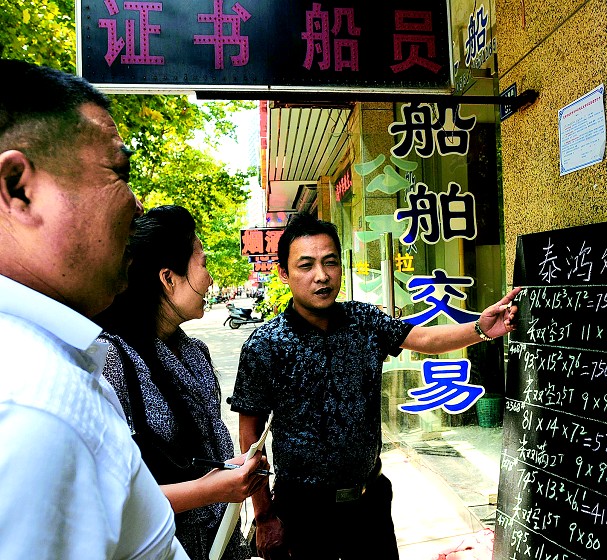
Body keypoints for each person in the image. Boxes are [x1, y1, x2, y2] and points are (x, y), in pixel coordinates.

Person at [231, 212, 521, 559]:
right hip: (303, 513)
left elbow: (424, 339)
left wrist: (480, 328)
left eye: (330, 262)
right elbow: (250, 437)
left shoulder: (364, 320)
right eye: (306, 265)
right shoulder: (265, 345)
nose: (321, 276)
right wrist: (264, 516)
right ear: (284, 273)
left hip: (369, 504)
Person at [0, 60, 187, 558]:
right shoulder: (35, 406)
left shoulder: (53, 370)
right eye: (119, 173)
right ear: (18, 188)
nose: (137, 205)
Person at [94, 205, 270, 560]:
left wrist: (232, 469)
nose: (210, 279)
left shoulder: (195, 352)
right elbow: (110, 499)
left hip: (221, 544)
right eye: (202, 264)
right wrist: (212, 490)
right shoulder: (111, 360)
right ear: (168, 278)